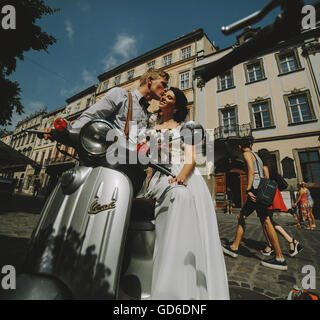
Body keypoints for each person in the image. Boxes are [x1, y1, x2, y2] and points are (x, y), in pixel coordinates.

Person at [138, 87, 229, 300]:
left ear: (176, 106)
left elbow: (190, 160)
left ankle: (178, 288)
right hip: (157, 177)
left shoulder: (185, 128)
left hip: (181, 174)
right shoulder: (151, 127)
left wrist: (181, 177)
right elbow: (144, 159)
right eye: (164, 94)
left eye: (169, 97)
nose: (163, 97)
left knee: (183, 223)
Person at [45, 68, 169, 194]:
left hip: (131, 174)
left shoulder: (147, 115)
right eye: (163, 84)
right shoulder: (121, 95)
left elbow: (139, 143)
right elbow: (89, 117)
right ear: (149, 80)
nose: (165, 90)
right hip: (105, 169)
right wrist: (65, 131)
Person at [222, 138, 288, 271]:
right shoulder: (256, 155)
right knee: (243, 215)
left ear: (240, 146)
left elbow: (251, 172)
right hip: (260, 189)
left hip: (255, 191)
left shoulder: (246, 154)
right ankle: (234, 247)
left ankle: (280, 257)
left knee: (266, 221)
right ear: (251, 145)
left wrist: (248, 189)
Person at [257, 149, 302, 257]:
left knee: (267, 221)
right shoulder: (272, 166)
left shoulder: (264, 167)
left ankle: (291, 241)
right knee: (267, 221)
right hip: (273, 193)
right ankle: (274, 245)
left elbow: (266, 181)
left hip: (267, 194)